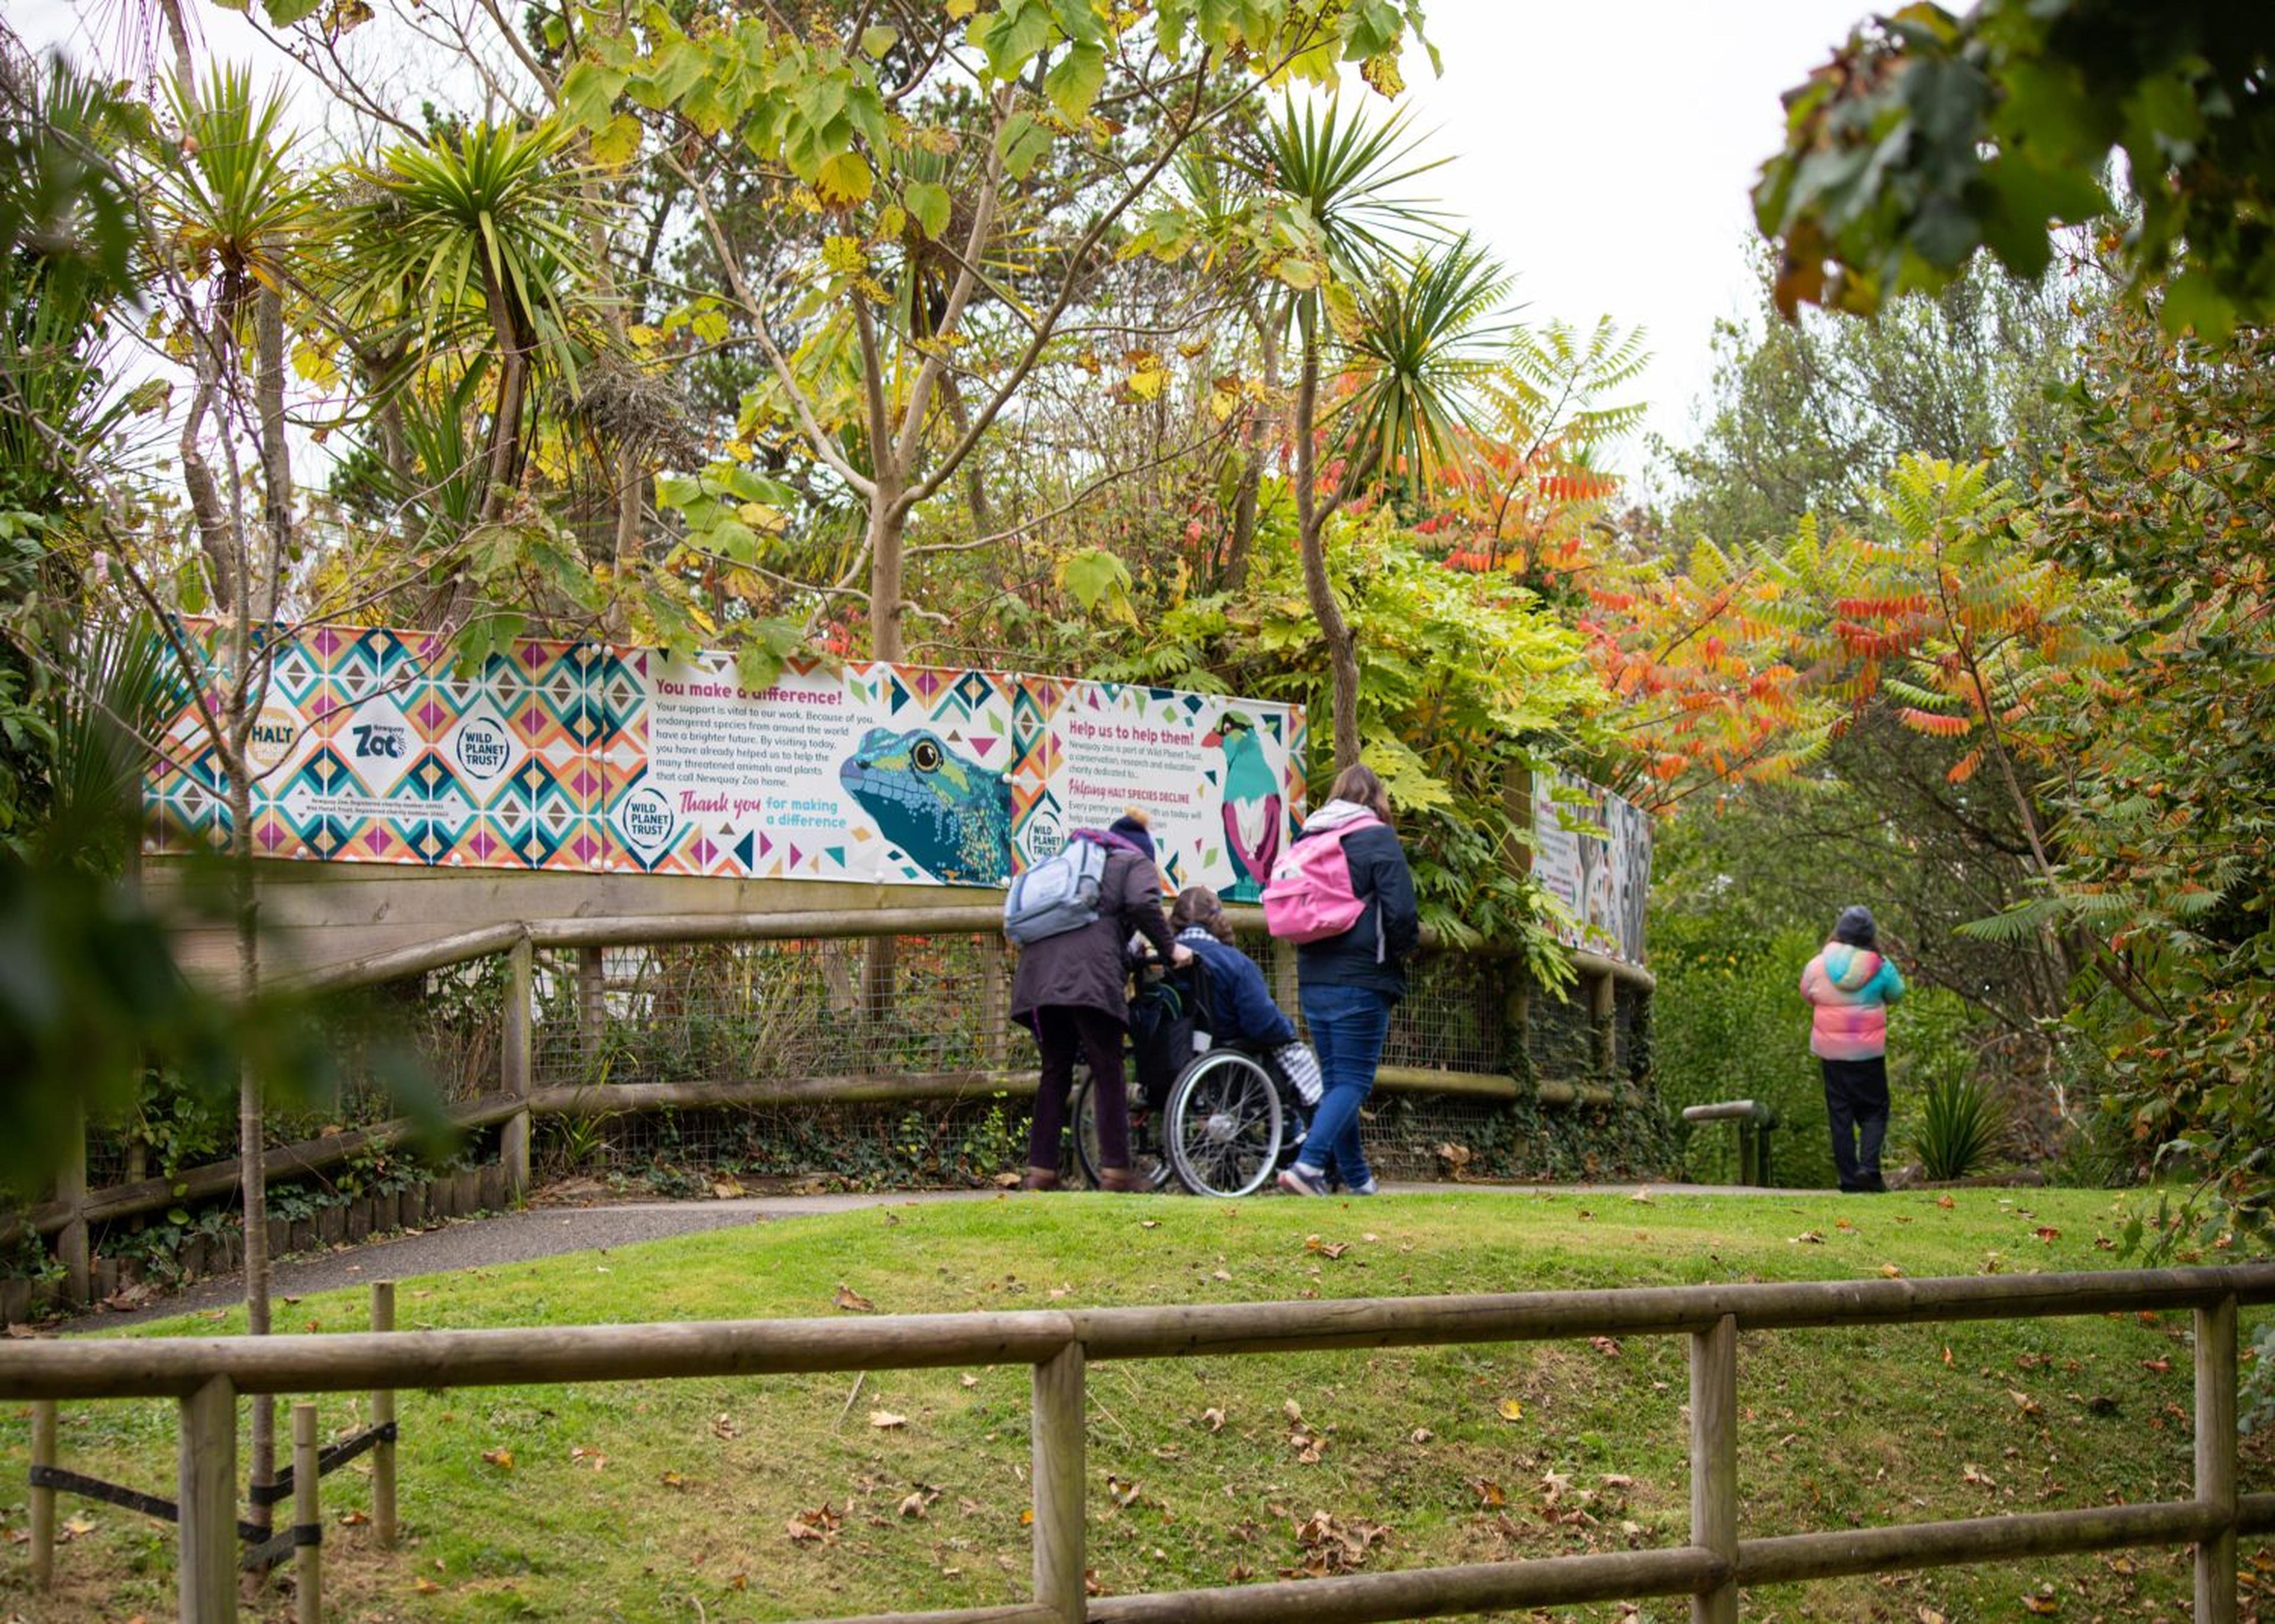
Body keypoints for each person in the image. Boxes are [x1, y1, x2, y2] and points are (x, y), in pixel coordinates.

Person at [1011, 810, 1188, 1192]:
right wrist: (1170, 949)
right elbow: (1143, 905)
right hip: (1087, 978)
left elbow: (1099, 924)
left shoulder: (1078, 866)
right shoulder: (1134, 860)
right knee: (1108, 1068)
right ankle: (1117, 1171)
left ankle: (1041, 1171)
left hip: (1040, 976)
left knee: (1055, 1071)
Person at [1276, 764, 1420, 1198]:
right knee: (1353, 1083)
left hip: (1315, 980)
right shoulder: (1377, 838)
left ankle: (1358, 1180)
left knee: (1339, 1084)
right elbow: (1401, 914)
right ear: (1376, 799)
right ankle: (1308, 1166)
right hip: (1362, 978)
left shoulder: (1309, 838)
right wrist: (1400, 954)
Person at [1800, 905, 1907, 1193]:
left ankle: (1849, 1179)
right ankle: (1869, 1171)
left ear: (1840, 931)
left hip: (1831, 1053)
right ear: (1870, 934)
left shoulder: (1818, 965)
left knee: (1840, 1114)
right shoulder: (1880, 967)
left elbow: (1807, 993)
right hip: (1867, 1054)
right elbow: (1898, 994)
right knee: (1875, 1111)